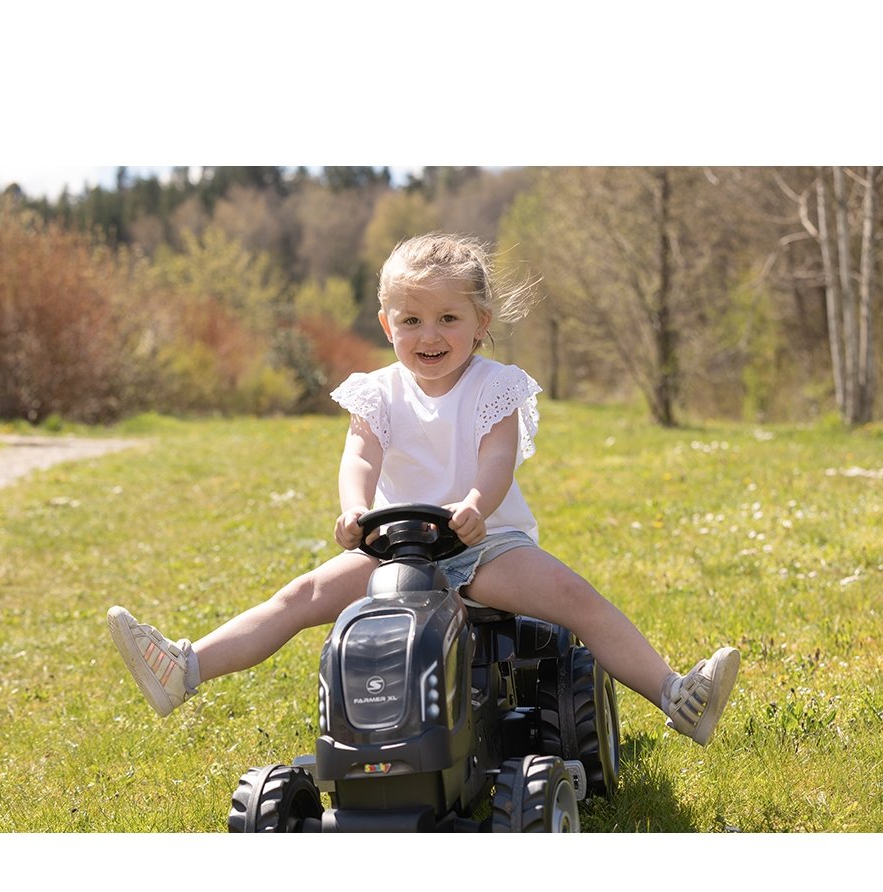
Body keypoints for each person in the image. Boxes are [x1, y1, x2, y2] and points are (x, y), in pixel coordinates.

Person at [108, 232, 740, 747]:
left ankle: (675, 694)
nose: (429, 335)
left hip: (484, 546)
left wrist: (475, 506)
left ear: (480, 323)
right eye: (411, 320)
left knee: (576, 597)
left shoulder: (495, 386)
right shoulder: (377, 392)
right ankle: (184, 668)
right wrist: (356, 509)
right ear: (388, 324)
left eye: (447, 318)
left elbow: (497, 459)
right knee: (303, 595)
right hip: (394, 550)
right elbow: (360, 453)